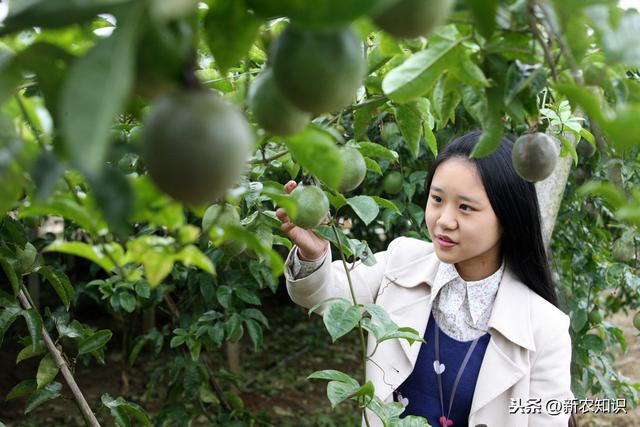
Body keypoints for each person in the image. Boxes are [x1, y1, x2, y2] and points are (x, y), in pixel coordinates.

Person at [276, 130, 577, 427]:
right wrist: (314, 253)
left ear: (508, 215)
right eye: (437, 199)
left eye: (465, 207)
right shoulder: (400, 262)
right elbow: (326, 296)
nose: (444, 220)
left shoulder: (545, 329)